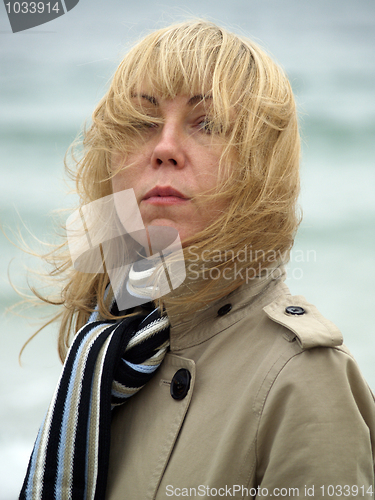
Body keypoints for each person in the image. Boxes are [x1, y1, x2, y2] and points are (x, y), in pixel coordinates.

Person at [20, 20, 375, 500]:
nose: (164, 147)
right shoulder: (106, 341)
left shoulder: (303, 378)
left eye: (208, 124)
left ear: (262, 168)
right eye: (143, 122)